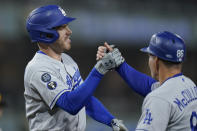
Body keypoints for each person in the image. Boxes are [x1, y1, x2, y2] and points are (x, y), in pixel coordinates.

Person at [24, 5, 128, 131]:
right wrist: (99, 70)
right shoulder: (37, 68)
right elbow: (70, 104)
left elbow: (85, 99)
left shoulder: (68, 60)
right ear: (45, 34)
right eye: (62, 27)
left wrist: (111, 121)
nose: (69, 31)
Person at [97, 31, 197, 131]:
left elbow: (160, 95)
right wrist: (120, 65)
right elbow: (148, 85)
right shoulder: (190, 85)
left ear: (156, 60)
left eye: (149, 56)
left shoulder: (158, 98)